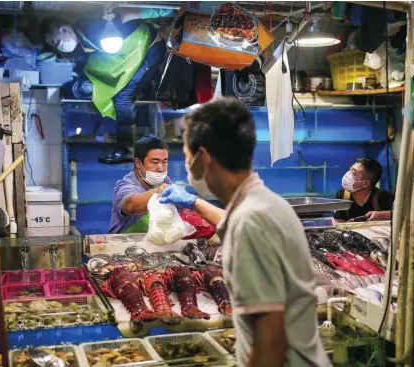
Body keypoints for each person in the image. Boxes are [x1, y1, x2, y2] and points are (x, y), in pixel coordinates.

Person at [160, 97, 330, 367]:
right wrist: (194, 202)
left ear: (204, 158)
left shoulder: (251, 221)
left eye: (188, 157)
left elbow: (271, 340)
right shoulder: (265, 204)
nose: (188, 167)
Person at [41, 10, 172, 165]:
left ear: (63, 29)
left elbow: (125, 20)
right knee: (103, 91)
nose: (59, 47)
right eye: (55, 46)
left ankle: (127, 151)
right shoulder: (84, 39)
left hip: (148, 52)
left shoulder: (92, 28)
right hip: (133, 58)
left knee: (123, 98)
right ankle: (126, 148)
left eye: (56, 42)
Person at [109, 135, 172, 234]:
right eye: (155, 162)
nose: (160, 168)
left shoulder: (165, 181)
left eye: (164, 162)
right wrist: (158, 193)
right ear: (138, 163)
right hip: (124, 244)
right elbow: (130, 205)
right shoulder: (126, 185)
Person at [334, 158, 394, 222]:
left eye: (353, 173)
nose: (348, 175)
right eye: (350, 169)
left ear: (365, 183)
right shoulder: (342, 195)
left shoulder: (383, 197)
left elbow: (401, 214)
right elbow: (339, 220)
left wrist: (381, 215)